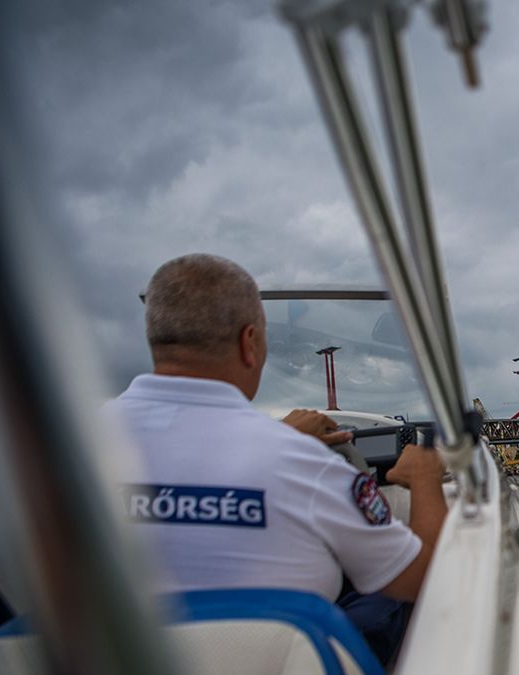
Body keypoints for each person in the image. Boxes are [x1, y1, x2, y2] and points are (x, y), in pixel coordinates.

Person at [106, 253, 446, 666]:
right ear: (250, 343)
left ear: (155, 340)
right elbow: (425, 578)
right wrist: (425, 477)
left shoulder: (54, 455)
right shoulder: (299, 460)